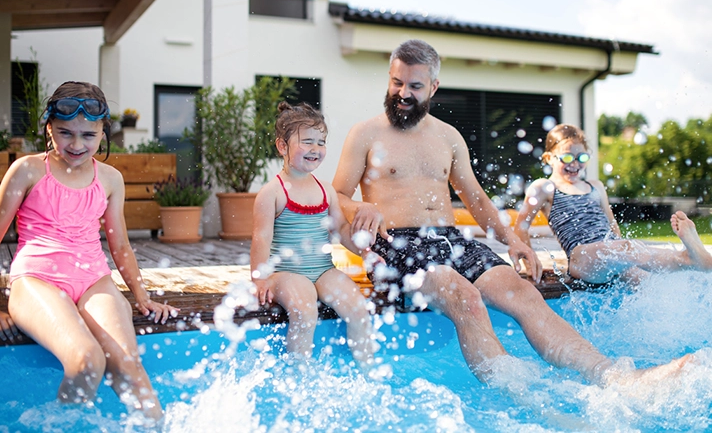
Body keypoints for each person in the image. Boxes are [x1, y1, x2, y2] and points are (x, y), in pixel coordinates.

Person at [332, 38, 692, 385]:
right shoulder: (365, 134)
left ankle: (613, 376)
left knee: (524, 294)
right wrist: (359, 205)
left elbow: (475, 198)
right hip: (398, 243)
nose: (404, 94)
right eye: (397, 83)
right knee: (465, 297)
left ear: (434, 87)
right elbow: (336, 195)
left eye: (415, 86)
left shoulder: (448, 136)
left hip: (452, 239)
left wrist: (513, 241)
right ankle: (522, 395)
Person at [0, 82, 176, 424]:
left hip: (94, 281)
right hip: (37, 280)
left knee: (131, 370)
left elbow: (119, 245)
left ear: (102, 131)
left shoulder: (110, 179)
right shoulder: (28, 170)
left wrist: (142, 296)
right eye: (65, 133)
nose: (77, 145)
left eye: (88, 136)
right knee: (87, 360)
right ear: (49, 128)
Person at [250, 102, 376, 366]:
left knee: (359, 309)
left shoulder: (326, 190)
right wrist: (259, 280)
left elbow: (340, 230)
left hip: (322, 269)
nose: (316, 149)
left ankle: (366, 370)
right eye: (307, 142)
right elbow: (261, 239)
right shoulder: (272, 193)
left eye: (321, 142)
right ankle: (299, 375)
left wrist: (365, 252)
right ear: (282, 146)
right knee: (305, 312)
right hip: (286, 272)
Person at [514, 123, 712, 284]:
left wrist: (624, 255)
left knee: (648, 283)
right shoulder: (544, 187)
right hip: (581, 258)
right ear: (549, 158)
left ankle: (697, 264)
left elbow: (612, 225)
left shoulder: (595, 186)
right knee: (627, 247)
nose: (574, 164)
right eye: (567, 157)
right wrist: (531, 263)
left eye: (581, 157)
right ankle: (688, 257)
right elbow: (521, 227)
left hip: (611, 254)